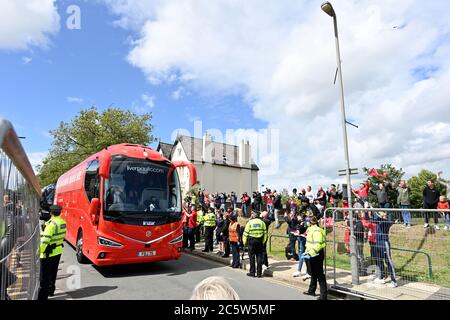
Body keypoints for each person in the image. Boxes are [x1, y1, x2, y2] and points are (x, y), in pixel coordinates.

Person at [38, 205, 66, 300]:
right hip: (58, 251)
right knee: (53, 273)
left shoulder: (51, 224)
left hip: (48, 253)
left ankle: (42, 297)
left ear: (51, 213)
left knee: (44, 277)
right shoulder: (62, 222)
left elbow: (45, 240)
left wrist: (38, 252)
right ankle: (51, 291)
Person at [302, 216, 327, 300]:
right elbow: (309, 243)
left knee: (320, 275)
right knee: (313, 273)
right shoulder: (311, 229)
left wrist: (311, 253)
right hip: (312, 253)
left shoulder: (316, 230)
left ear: (311, 222)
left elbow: (318, 244)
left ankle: (323, 296)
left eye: (308, 221)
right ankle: (311, 290)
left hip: (316, 254)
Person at [373, 211, 397, 288]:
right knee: (379, 260)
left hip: (384, 242)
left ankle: (394, 281)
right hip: (378, 242)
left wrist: (379, 213)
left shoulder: (386, 221)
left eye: (382, 211)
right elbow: (372, 219)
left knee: (388, 261)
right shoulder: (378, 220)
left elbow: (381, 218)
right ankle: (381, 277)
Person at [243, 211, 267, 278]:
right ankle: (259, 273)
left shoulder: (250, 222)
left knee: (252, 257)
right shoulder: (262, 223)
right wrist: (263, 241)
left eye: (252, 213)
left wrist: (244, 242)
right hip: (259, 241)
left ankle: (252, 272)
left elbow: (245, 233)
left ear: (254, 215)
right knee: (259, 257)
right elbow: (265, 234)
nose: (251, 214)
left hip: (251, 241)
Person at [292, 214, 312, 281]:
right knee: (302, 254)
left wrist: (300, 229)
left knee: (305, 255)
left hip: (305, 240)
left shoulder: (306, 222)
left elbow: (304, 230)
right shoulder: (300, 222)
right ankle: (300, 270)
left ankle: (307, 271)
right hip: (301, 239)